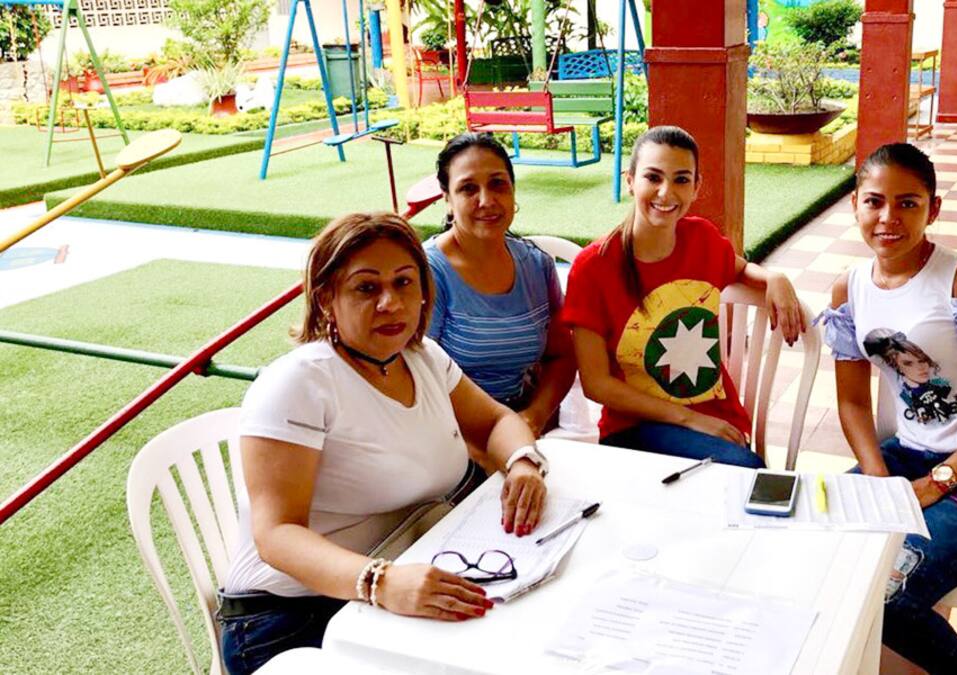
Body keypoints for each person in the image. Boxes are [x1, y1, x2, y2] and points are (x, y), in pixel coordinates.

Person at [218, 212, 549, 674]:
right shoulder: (298, 383)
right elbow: (277, 534)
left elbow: (495, 421)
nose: (391, 303)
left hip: (402, 573)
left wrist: (522, 462)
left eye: (404, 283)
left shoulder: (422, 358)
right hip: (288, 618)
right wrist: (381, 582)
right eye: (366, 288)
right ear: (326, 298)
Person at [817, 143, 957, 675]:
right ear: (855, 204)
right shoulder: (849, 288)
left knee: (891, 594)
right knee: (817, 548)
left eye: (908, 203)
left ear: (932, 209)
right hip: (905, 457)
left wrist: (937, 483)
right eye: (875, 201)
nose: (888, 218)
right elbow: (851, 402)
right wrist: (877, 475)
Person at [562, 125, 804, 468]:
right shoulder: (593, 267)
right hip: (634, 428)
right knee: (744, 471)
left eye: (681, 180)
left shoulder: (702, 239)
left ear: (696, 187)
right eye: (653, 177)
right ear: (630, 181)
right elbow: (596, 384)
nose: (666, 192)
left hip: (717, 421)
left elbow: (739, 269)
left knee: (742, 475)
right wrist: (689, 419)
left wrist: (774, 277)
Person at [425, 133, 576, 463]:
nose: (486, 200)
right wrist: (488, 451)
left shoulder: (536, 265)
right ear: (447, 199)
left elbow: (562, 355)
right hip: (447, 436)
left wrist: (532, 418)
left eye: (498, 184)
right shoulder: (428, 274)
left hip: (518, 427)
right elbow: (415, 380)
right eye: (468, 189)